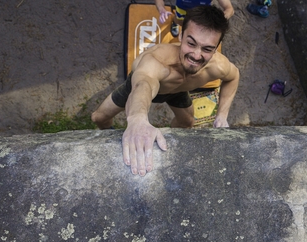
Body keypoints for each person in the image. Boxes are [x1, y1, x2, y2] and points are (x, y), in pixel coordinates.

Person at [91, 5, 240, 176]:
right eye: (191, 43)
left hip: (178, 91)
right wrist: (137, 119)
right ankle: (112, 135)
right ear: (181, 35)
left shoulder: (218, 66)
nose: (196, 56)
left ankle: (168, 143)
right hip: (141, 89)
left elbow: (234, 77)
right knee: (99, 117)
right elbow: (143, 85)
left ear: (216, 49)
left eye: (207, 49)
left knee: (187, 123)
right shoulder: (157, 61)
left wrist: (222, 116)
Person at [155, 0, 234, 37]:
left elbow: (229, 9)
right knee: (179, 20)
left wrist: (216, 20)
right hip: (182, 8)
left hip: (202, 13)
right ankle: (175, 24)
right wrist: (161, 9)